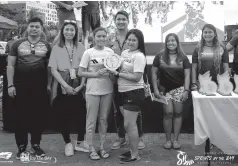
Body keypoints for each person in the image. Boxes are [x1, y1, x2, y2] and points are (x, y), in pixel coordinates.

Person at [7, 17, 51, 159]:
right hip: (20, 86)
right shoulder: (17, 44)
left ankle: (36, 145)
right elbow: (10, 65)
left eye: (37, 27)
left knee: (37, 116)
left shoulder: (47, 45)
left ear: (41, 28)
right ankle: (21, 147)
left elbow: (50, 68)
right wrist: (10, 85)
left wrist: (49, 85)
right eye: (32, 26)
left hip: (39, 86)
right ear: (27, 28)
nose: (34, 29)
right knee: (21, 117)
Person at [48, 20, 86, 157]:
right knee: (62, 114)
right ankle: (68, 143)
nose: (69, 32)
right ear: (62, 32)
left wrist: (81, 85)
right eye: (67, 30)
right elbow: (53, 70)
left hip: (79, 81)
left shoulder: (81, 46)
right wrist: (66, 85)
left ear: (76, 33)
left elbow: (85, 67)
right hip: (61, 83)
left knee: (81, 113)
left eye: (72, 30)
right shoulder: (56, 47)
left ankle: (81, 142)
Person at [108, 29, 146, 163]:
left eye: (134, 40)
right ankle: (132, 150)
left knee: (130, 125)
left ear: (139, 42)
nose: (130, 42)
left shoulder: (139, 56)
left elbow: (136, 78)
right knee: (129, 125)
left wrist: (118, 74)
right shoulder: (124, 53)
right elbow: (118, 66)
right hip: (122, 91)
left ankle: (135, 154)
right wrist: (112, 69)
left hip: (134, 92)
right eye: (129, 39)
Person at [78, 27, 114, 160]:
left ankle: (102, 147)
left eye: (104, 36)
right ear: (94, 37)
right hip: (92, 90)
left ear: (107, 37)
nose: (101, 38)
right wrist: (95, 74)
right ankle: (91, 147)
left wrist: (112, 72)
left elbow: (114, 69)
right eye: (99, 36)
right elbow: (80, 72)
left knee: (103, 120)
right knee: (91, 120)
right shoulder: (88, 52)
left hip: (108, 90)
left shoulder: (110, 52)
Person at [151, 33, 191, 149]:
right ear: (166, 43)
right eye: (168, 41)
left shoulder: (183, 57)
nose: (171, 43)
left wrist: (186, 90)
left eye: (173, 40)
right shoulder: (160, 56)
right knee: (168, 113)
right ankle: (168, 140)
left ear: (177, 42)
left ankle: (176, 140)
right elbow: (153, 73)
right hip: (164, 90)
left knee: (178, 113)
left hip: (179, 89)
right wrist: (155, 89)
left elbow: (187, 75)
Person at [191, 24, 229, 91]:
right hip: (202, 83)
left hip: (219, 83)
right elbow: (194, 68)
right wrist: (194, 83)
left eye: (210, 32)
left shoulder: (222, 47)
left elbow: (226, 67)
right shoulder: (198, 48)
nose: (207, 34)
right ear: (202, 34)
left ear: (215, 34)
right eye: (205, 32)